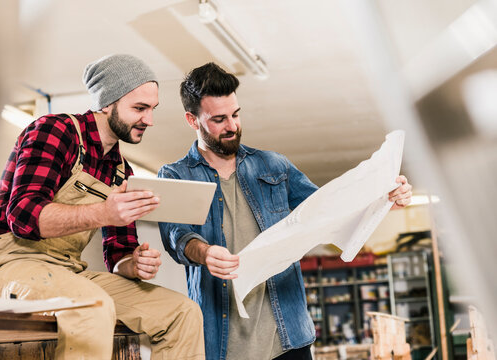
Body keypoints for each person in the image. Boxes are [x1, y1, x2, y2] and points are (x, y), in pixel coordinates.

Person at [157, 63, 412, 360]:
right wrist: (204, 252)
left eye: (236, 115)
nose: (232, 126)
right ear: (192, 119)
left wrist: (382, 199)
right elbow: (175, 235)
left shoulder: (273, 166)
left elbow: (329, 209)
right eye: (218, 119)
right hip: (220, 343)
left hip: (287, 337)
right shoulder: (175, 175)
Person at [0, 54, 205, 360]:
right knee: (91, 306)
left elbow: (118, 254)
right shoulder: (55, 131)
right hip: (5, 262)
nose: (150, 120)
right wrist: (104, 212)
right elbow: (23, 216)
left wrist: (134, 264)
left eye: (152, 109)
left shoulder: (121, 170)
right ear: (107, 103)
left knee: (182, 312)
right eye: (139, 108)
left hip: (67, 269)